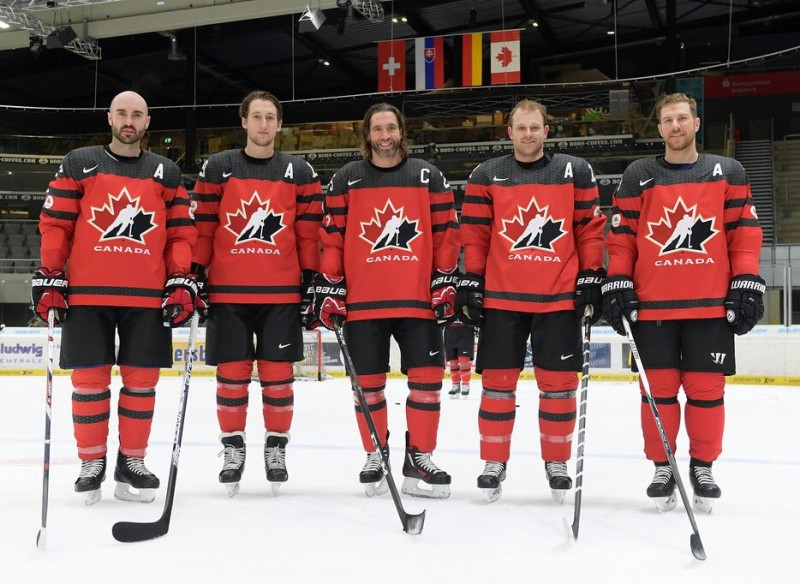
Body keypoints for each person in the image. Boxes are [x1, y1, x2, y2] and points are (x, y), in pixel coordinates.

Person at [32, 90, 198, 505]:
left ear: (147, 122)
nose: (129, 120)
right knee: (89, 381)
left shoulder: (167, 173)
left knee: (142, 383)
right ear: (109, 117)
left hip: (147, 296)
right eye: (122, 113)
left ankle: (132, 462)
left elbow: (180, 234)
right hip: (87, 293)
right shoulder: (78, 162)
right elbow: (56, 225)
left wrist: (180, 278)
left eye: (137, 115)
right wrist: (51, 274)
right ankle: (92, 462)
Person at [602, 92, 764, 514]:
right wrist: (618, 280)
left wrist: (746, 276)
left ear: (696, 123)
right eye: (667, 120)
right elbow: (621, 239)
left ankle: (703, 466)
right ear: (659, 128)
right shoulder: (639, 174)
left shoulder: (727, 171)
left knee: (706, 392)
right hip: (653, 308)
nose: (675, 126)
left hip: (709, 306)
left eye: (682, 118)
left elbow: (743, 233)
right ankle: (662, 466)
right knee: (656, 393)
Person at [458, 99, 605, 503]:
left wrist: (592, 272)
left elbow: (590, 228)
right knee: (497, 386)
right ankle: (493, 462)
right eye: (520, 128)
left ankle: (556, 462)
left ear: (546, 130)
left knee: (558, 387)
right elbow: (474, 233)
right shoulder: (487, 174)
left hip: (557, 298)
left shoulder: (574, 171)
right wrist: (471, 278)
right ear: (509, 132)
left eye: (534, 127)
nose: (528, 135)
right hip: (502, 298)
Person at [314, 103, 461, 499]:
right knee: (368, 386)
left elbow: (448, 232)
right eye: (377, 128)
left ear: (401, 132)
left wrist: (445, 280)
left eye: (391, 127)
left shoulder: (427, 175)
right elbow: (332, 239)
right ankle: (375, 453)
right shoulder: (347, 179)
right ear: (367, 134)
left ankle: (420, 458)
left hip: (418, 301)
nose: (384, 135)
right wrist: (330, 284)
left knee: (428, 385)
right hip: (364, 303)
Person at [191, 91, 323, 497]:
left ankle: (275, 448)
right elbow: (204, 229)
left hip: (280, 293)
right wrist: (194, 274)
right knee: (231, 378)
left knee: (278, 378)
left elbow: (308, 233)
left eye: (271, 118)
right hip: (228, 292)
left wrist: (311, 280)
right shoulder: (219, 168)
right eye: (257, 117)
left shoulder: (299, 171)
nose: (264, 124)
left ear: (279, 125)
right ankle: (233, 449)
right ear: (244, 121)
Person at [444, 316, 476, 399]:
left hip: (466, 334)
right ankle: (455, 385)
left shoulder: (467, 302)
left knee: (464, 359)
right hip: (450, 334)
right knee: (453, 361)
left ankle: (465, 385)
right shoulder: (447, 302)